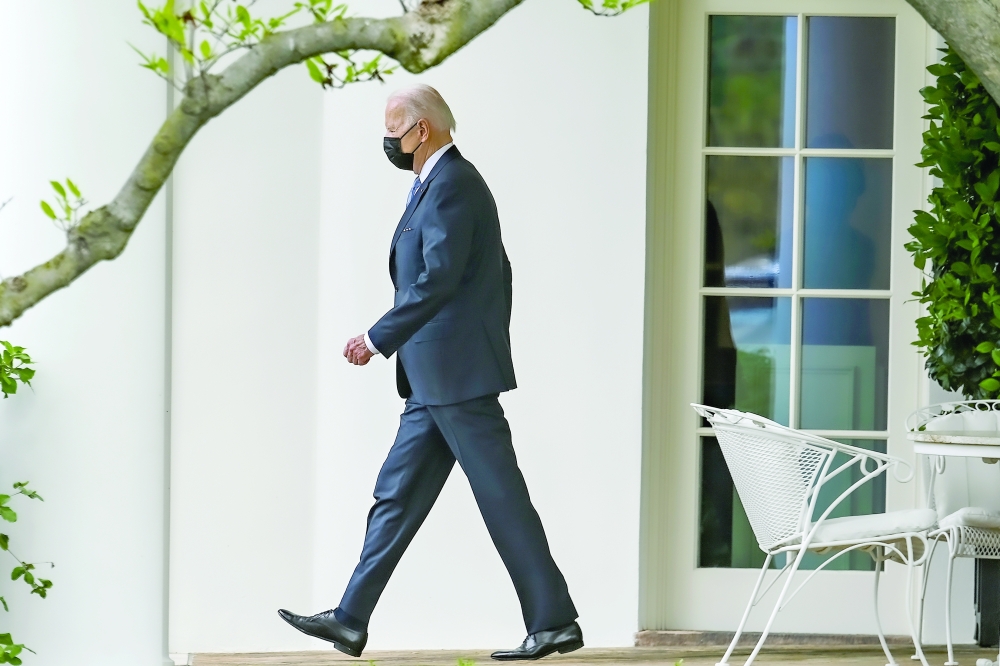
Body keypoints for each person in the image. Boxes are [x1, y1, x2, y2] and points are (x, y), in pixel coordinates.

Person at [277, 84, 582, 661]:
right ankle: (350, 619)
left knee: (501, 499)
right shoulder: (434, 185)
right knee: (396, 496)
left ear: (423, 130)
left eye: (394, 133)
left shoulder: (455, 185)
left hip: (455, 376)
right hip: (435, 377)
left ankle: (553, 621)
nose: (388, 143)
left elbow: (437, 279)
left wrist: (377, 337)